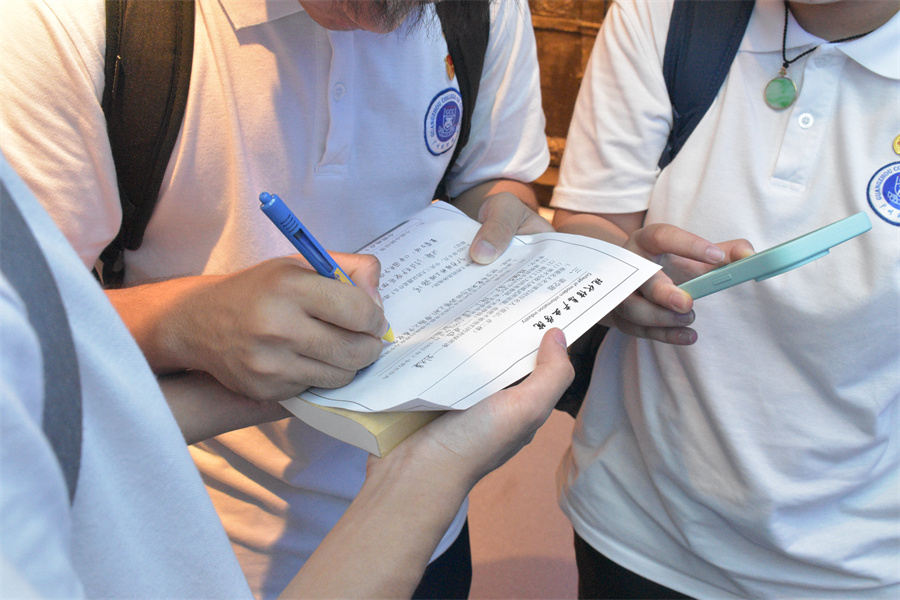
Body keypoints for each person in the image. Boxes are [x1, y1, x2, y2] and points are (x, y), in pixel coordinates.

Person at [0, 0, 552, 597]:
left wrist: (501, 215)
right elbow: (22, 337)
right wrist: (178, 323)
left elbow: (488, 174)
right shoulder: (60, 24)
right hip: (182, 545)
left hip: (432, 537)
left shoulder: (484, 11)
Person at [550, 0, 900, 597]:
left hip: (856, 563)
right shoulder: (668, 16)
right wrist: (619, 273)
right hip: (637, 526)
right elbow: (589, 221)